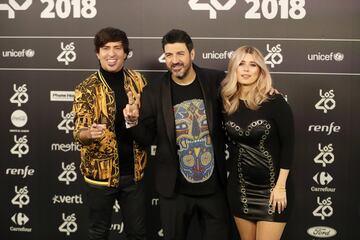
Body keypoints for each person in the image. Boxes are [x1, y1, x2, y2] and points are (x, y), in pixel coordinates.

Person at [123, 29, 231, 240]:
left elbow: (246, 94)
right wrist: (132, 120)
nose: (174, 60)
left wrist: (267, 91)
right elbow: (146, 138)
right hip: (174, 191)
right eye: (169, 55)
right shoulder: (153, 91)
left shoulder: (216, 81)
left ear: (192, 54)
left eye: (180, 54)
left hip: (214, 188)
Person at [72, 27, 148, 240]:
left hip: (134, 174)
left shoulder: (139, 81)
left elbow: (150, 123)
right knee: (98, 233)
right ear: (98, 53)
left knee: (138, 234)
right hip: (99, 176)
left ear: (126, 52)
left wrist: (136, 119)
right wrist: (89, 133)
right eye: (106, 48)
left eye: (117, 48)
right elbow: (78, 133)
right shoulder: (86, 88)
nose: (111, 54)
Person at [221, 46, 294, 240]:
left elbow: (289, 146)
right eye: (241, 64)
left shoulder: (275, 102)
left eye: (252, 64)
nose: (246, 69)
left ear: (260, 69)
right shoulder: (226, 102)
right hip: (240, 189)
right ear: (234, 69)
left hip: (273, 191)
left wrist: (280, 187)